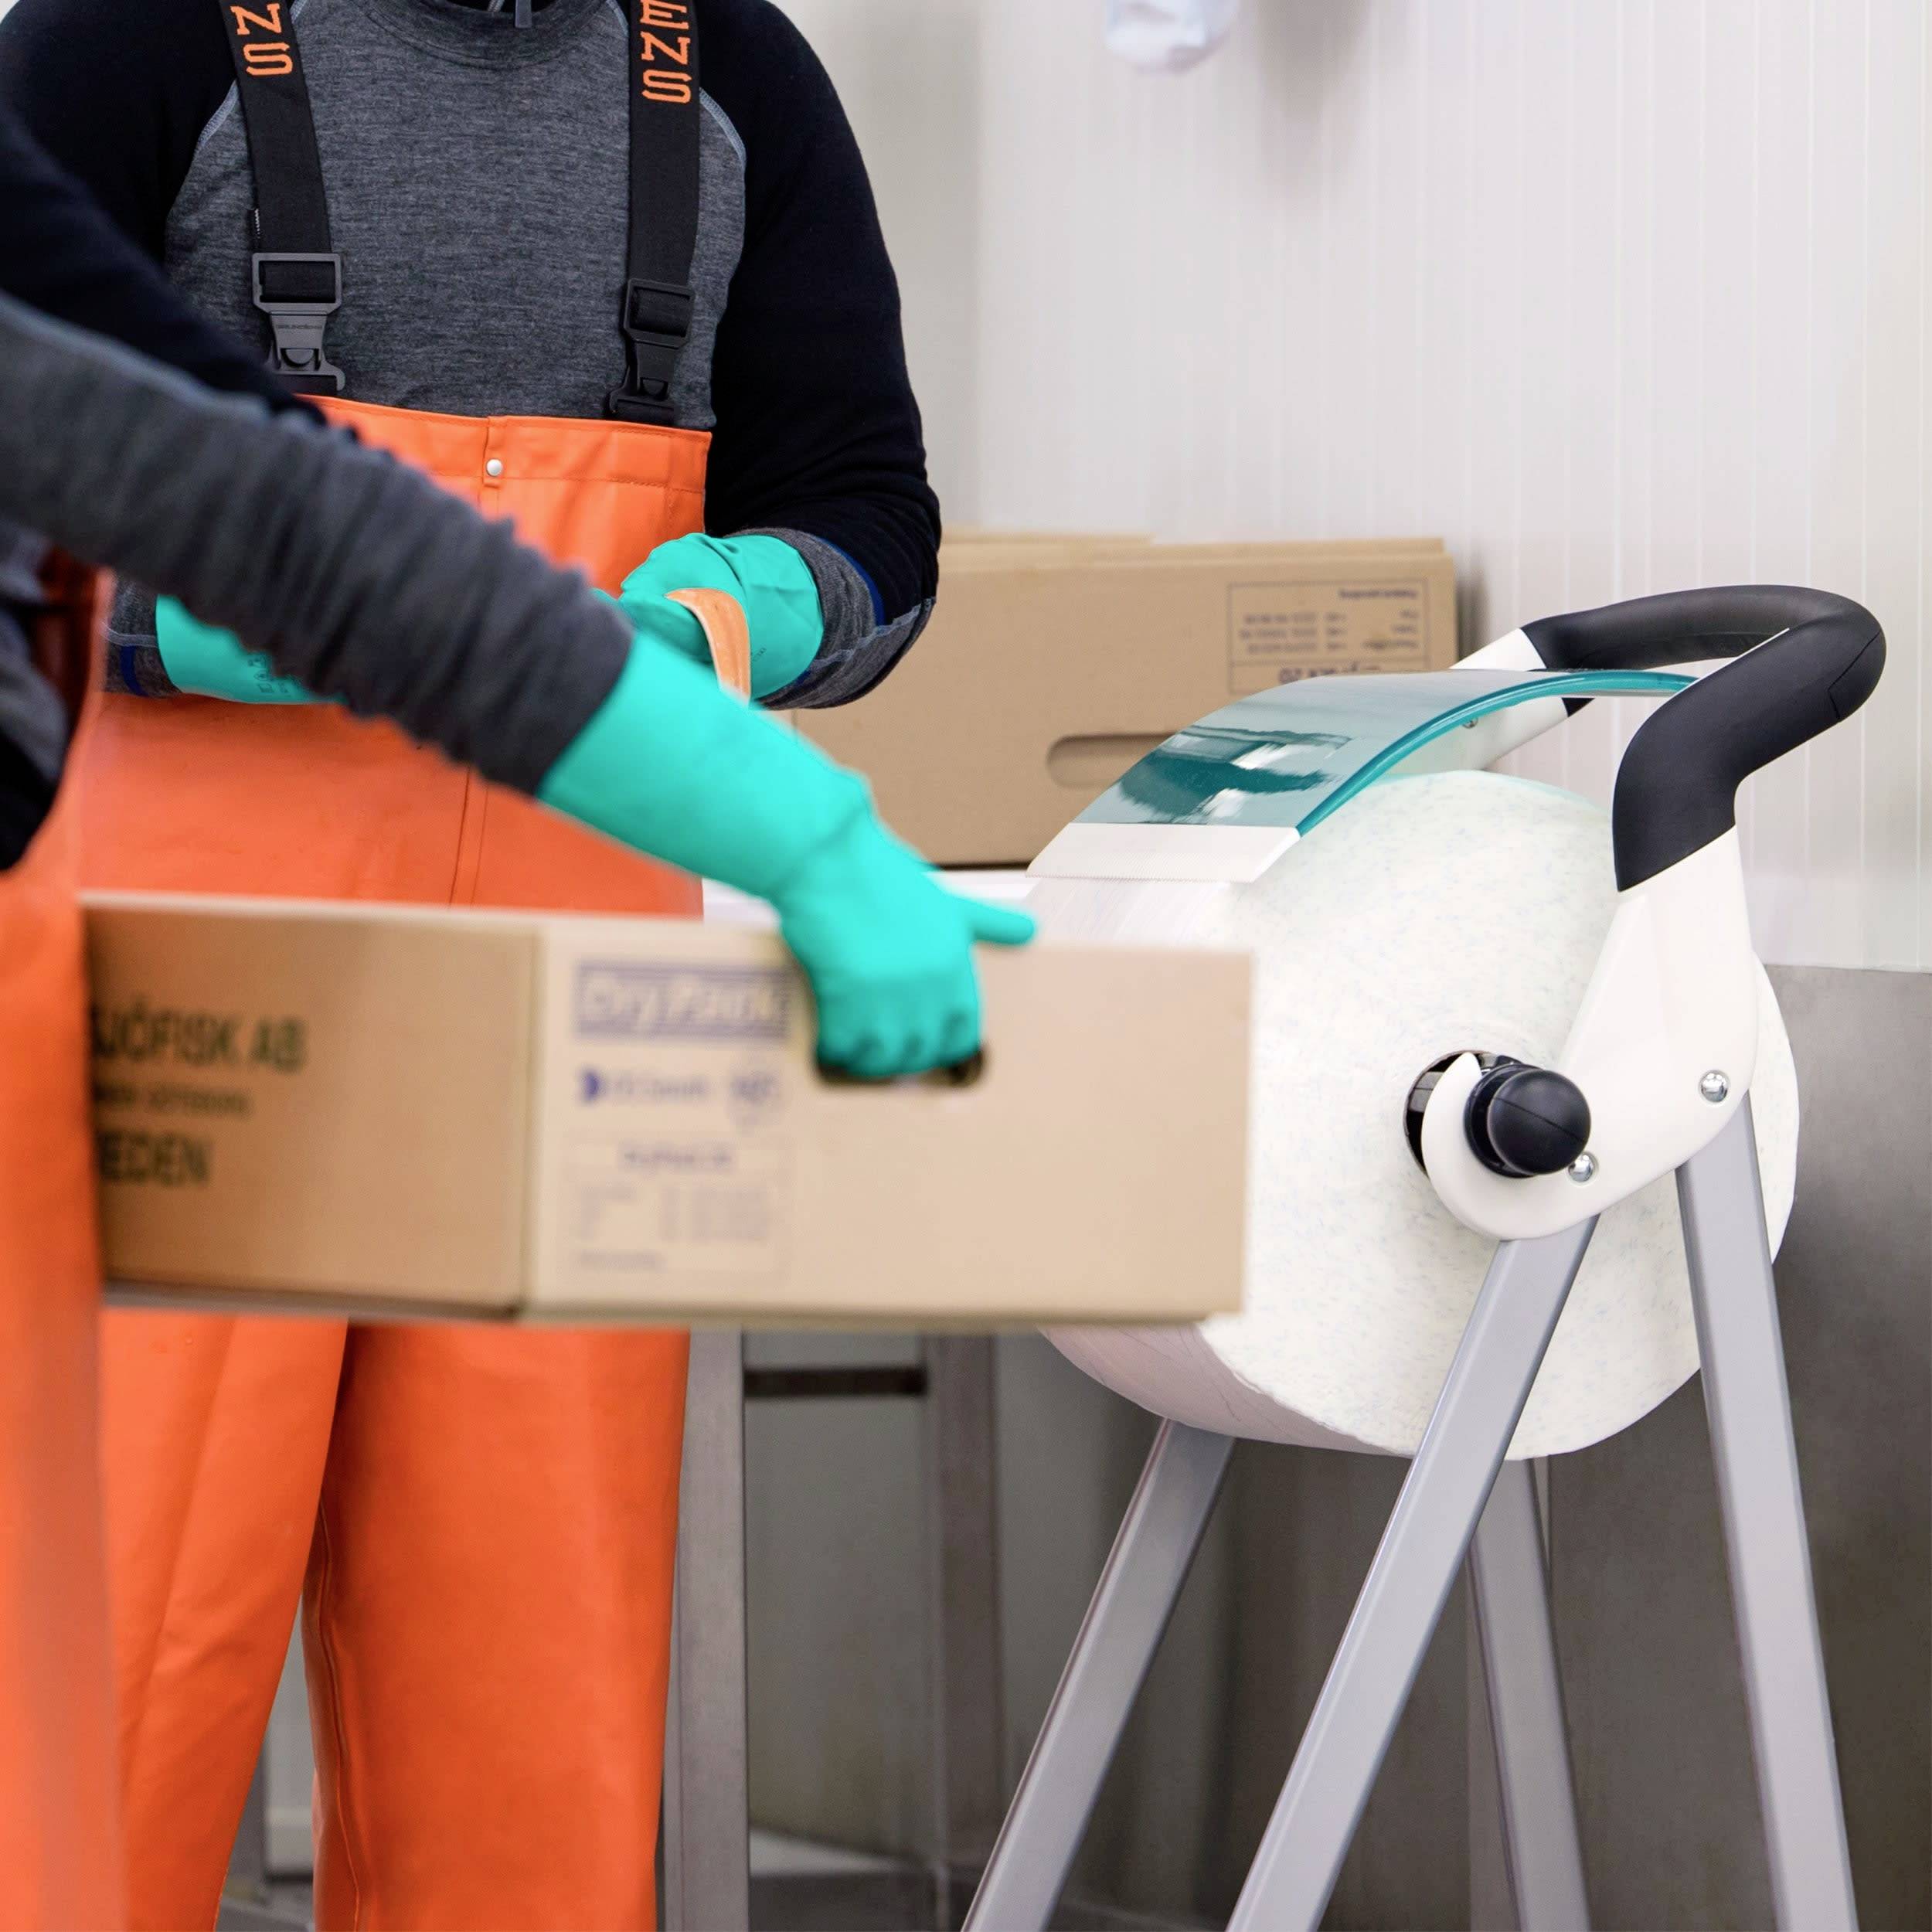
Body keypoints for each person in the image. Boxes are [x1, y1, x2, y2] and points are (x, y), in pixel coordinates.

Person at [0, 0, 981, 1910]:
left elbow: (871, 510)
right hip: (170, 1019)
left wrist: (725, 622)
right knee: (92, 1706)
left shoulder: (729, 73)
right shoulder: (123, 40)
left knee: (534, 1731)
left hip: (562, 1007)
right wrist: (178, 620)